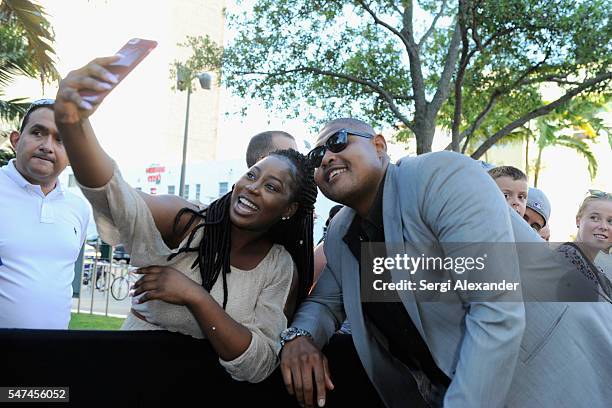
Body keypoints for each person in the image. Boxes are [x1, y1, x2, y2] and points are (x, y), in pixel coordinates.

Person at [280, 118, 612, 408]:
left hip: (558, 365)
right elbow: (324, 302)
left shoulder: (440, 176)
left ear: (379, 146)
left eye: (338, 141)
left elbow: (495, 307)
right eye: (316, 156)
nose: (327, 157)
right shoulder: (341, 234)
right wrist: (299, 337)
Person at [53, 56, 317, 385]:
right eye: (252, 175)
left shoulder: (279, 267)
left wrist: (194, 295)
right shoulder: (189, 222)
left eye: (272, 187)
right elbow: (116, 197)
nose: (252, 188)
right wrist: (73, 123)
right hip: (132, 381)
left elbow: (258, 363)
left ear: (288, 209)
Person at [0, 98, 89, 329]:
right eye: (38, 133)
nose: (47, 146)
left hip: (53, 355)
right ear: (16, 141)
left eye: (60, 140)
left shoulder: (78, 208)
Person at [557, 190, 612, 301]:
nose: (604, 226)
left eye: (610, 221)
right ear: (578, 220)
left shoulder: (598, 272)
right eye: (594, 218)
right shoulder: (565, 259)